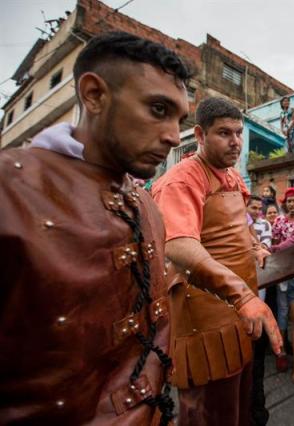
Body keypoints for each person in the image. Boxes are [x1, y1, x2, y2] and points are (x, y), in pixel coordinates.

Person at [0, 32, 191, 424]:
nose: (173, 135)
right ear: (94, 95)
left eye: (180, 119)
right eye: (158, 109)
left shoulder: (145, 204)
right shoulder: (8, 188)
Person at [152, 97, 282, 426]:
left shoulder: (231, 176)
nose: (235, 141)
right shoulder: (181, 181)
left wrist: (254, 246)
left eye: (238, 132)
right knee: (209, 413)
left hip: (242, 312)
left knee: (240, 408)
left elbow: (236, 224)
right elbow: (179, 244)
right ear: (199, 134)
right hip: (205, 319)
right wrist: (242, 294)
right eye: (224, 133)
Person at [271, 187, 294, 383]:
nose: (293, 204)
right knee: (285, 312)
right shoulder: (279, 221)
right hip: (285, 274)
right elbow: (276, 243)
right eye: (289, 201)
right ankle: (281, 351)